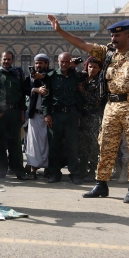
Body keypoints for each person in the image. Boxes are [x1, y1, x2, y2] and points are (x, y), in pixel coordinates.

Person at [47, 15, 129, 203]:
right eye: (111, 36)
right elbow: (82, 44)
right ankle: (102, 184)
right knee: (106, 146)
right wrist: (59, 30)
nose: (113, 39)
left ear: (128, 35)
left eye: (117, 36)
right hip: (111, 106)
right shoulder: (107, 53)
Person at [43, 52, 84, 184]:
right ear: (58, 62)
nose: (65, 64)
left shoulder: (76, 77)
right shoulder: (51, 77)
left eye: (67, 62)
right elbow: (46, 97)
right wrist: (46, 114)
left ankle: (75, 173)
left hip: (71, 115)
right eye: (62, 62)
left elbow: (79, 97)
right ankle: (54, 173)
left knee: (73, 145)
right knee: (54, 145)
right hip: (56, 115)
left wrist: (78, 114)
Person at [0, 51, 27, 180]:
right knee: (0, 143)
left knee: (16, 144)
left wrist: (22, 112)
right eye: (4, 59)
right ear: (0, 60)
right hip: (0, 113)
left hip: (14, 112)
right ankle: (1, 170)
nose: (6, 61)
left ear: (12, 60)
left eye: (9, 59)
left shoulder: (17, 74)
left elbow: (22, 95)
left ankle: (18, 170)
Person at [25, 54, 51, 180]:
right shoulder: (30, 78)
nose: (38, 65)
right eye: (36, 63)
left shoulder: (51, 76)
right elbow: (24, 89)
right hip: (34, 115)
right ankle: (33, 170)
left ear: (47, 64)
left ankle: (47, 169)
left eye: (41, 63)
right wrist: (35, 89)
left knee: (47, 143)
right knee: (33, 144)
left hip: (48, 115)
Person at [78, 57, 103, 182]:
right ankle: (82, 168)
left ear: (99, 69)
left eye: (95, 67)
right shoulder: (82, 78)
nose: (92, 69)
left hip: (94, 116)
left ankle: (92, 170)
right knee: (81, 144)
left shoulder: (100, 82)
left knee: (93, 144)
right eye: (90, 66)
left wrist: (83, 92)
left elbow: (97, 101)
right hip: (81, 116)